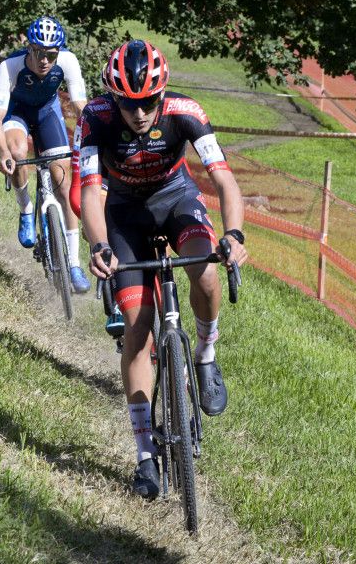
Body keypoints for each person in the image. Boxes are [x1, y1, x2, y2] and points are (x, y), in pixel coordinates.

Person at [80, 40, 248, 500]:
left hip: (176, 199)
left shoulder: (185, 111)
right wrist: (97, 244)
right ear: (115, 99)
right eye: (130, 104)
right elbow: (91, 192)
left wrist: (234, 235)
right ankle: (144, 456)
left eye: (148, 103)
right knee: (137, 325)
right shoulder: (95, 117)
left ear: (162, 95)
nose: (139, 113)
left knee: (205, 270)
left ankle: (206, 354)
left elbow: (224, 179)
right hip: (125, 215)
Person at [0, 16, 91, 293]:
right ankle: (25, 209)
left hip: (48, 113)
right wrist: (2, 153)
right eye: (38, 53)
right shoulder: (10, 66)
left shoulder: (68, 62)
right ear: (29, 48)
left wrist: (97, 132)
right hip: (17, 114)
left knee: (63, 182)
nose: (45, 60)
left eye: (51, 54)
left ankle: (73, 263)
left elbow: (81, 106)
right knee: (18, 151)